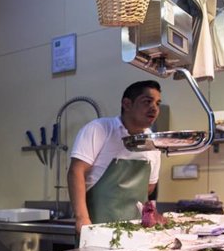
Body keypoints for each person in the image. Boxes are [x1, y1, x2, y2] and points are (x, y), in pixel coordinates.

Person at [67, 80, 162, 234]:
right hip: (96, 228)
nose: (154, 108)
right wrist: (81, 218)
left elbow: (149, 187)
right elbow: (76, 171)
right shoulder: (99, 129)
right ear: (127, 104)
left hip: (136, 231)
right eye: (147, 101)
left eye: (158, 103)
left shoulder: (154, 141)